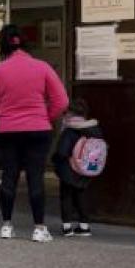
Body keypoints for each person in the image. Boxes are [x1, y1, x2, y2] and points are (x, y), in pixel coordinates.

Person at [0, 24, 68, 243]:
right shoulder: (42, 66)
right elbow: (62, 101)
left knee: (9, 176)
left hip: (7, 131)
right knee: (35, 177)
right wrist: (45, 117)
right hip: (38, 129)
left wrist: (2, 119)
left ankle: (7, 226)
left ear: (3, 44)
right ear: (25, 43)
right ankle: (39, 228)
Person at [53, 99, 104, 237]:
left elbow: (62, 152)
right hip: (86, 169)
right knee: (81, 196)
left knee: (66, 197)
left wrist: (55, 161)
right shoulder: (95, 130)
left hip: (69, 170)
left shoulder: (70, 130)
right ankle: (84, 226)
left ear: (69, 113)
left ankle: (67, 227)